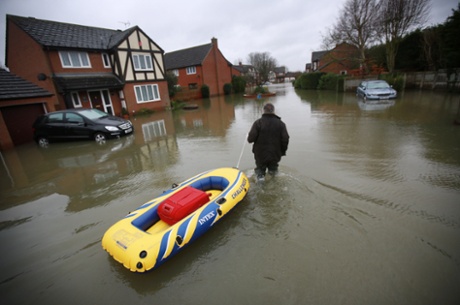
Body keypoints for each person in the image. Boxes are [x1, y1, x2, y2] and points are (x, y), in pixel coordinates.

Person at [247, 103, 289, 181]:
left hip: (260, 155)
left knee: (260, 173)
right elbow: (285, 139)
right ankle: (275, 186)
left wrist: (249, 135)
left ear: (264, 111)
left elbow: (250, 139)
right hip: (275, 155)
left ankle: (260, 189)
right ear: (273, 111)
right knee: (274, 173)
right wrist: (282, 152)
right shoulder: (281, 124)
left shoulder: (258, 123)